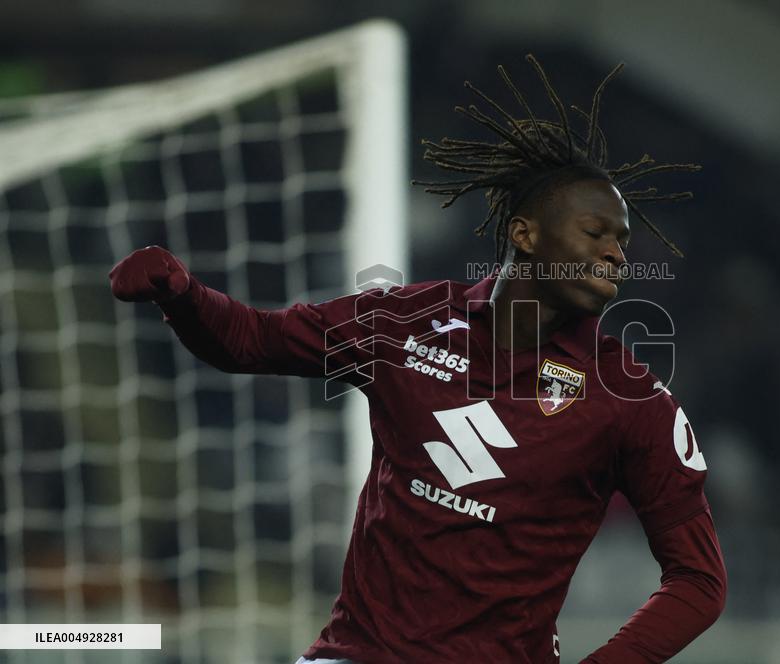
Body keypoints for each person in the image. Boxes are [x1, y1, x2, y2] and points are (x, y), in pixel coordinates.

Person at [109, 55, 725, 664]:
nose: (617, 254)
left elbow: (699, 581)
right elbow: (250, 340)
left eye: (622, 240)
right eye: (597, 233)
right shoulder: (407, 321)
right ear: (525, 233)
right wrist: (184, 296)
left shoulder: (629, 394)